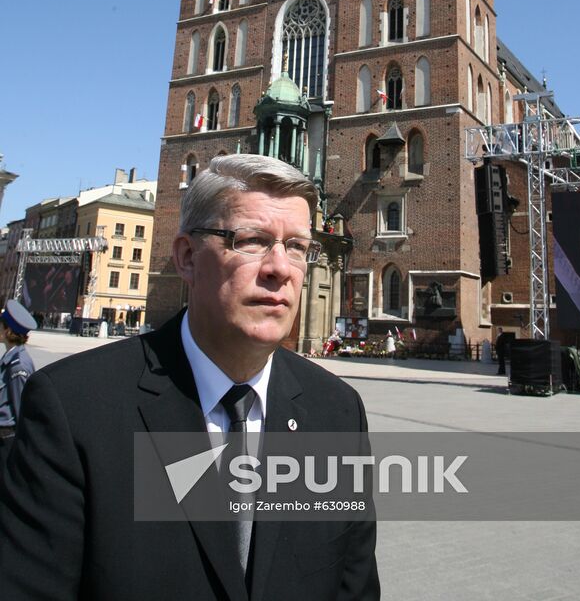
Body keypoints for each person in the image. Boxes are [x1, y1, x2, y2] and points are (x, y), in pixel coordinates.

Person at [0, 155, 380, 601]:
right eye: (251, 240)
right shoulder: (75, 408)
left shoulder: (337, 412)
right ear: (186, 257)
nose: (280, 268)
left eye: (297, 246)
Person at [0, 299, 37, 470]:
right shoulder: (11, 358)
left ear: (8, 331)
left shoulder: (18, 365)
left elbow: (21, 408)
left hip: (7, 438)